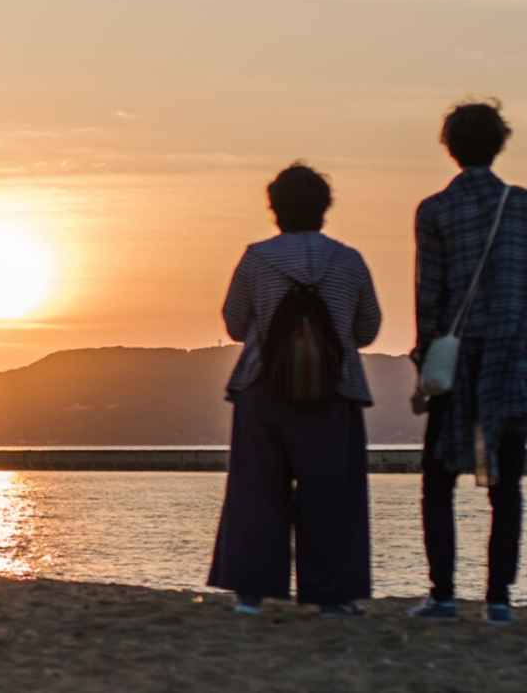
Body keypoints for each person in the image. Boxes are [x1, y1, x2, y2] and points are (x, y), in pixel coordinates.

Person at [208, 163, 381, 616]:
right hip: (335, 391)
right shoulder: (348, 260)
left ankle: (250, 591)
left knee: (256, 489)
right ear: (325, 208)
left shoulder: (256, 258)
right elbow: (367, 330)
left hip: (262, 387)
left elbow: (234, 323)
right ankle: (333, 596)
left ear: (275, 209)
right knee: (332, 493)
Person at [410, 100, 526, 625]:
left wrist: (424, 362)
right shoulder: (521, 207)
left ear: (450, 148)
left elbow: (429, 297)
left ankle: (444, 593)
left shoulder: (434, 211)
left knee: (438, 480)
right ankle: (499, 599)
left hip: (456, 360)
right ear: (499, 144)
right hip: (511, 359)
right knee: (507, 484)